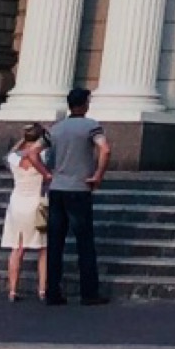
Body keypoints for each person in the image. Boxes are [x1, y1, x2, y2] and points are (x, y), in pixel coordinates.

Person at [41, 86, 109, 306]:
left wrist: (46, 174)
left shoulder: (56, 128)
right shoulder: (91, 126)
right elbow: (105, 149)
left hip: (57, 189)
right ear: (85, 104)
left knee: (55, 242)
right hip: (79, 189)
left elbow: (33, 153)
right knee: (84, 242)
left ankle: (53, 291)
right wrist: (98, 175)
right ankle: (89, 293)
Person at [0, 124, 50, 302]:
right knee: (43, 248)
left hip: (17, 202)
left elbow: (10, 154)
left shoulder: (14, 158)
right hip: (37, 202)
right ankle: (42, 289)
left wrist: (23, 140)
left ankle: (13, 289)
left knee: (17, 248)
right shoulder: (43, 155)